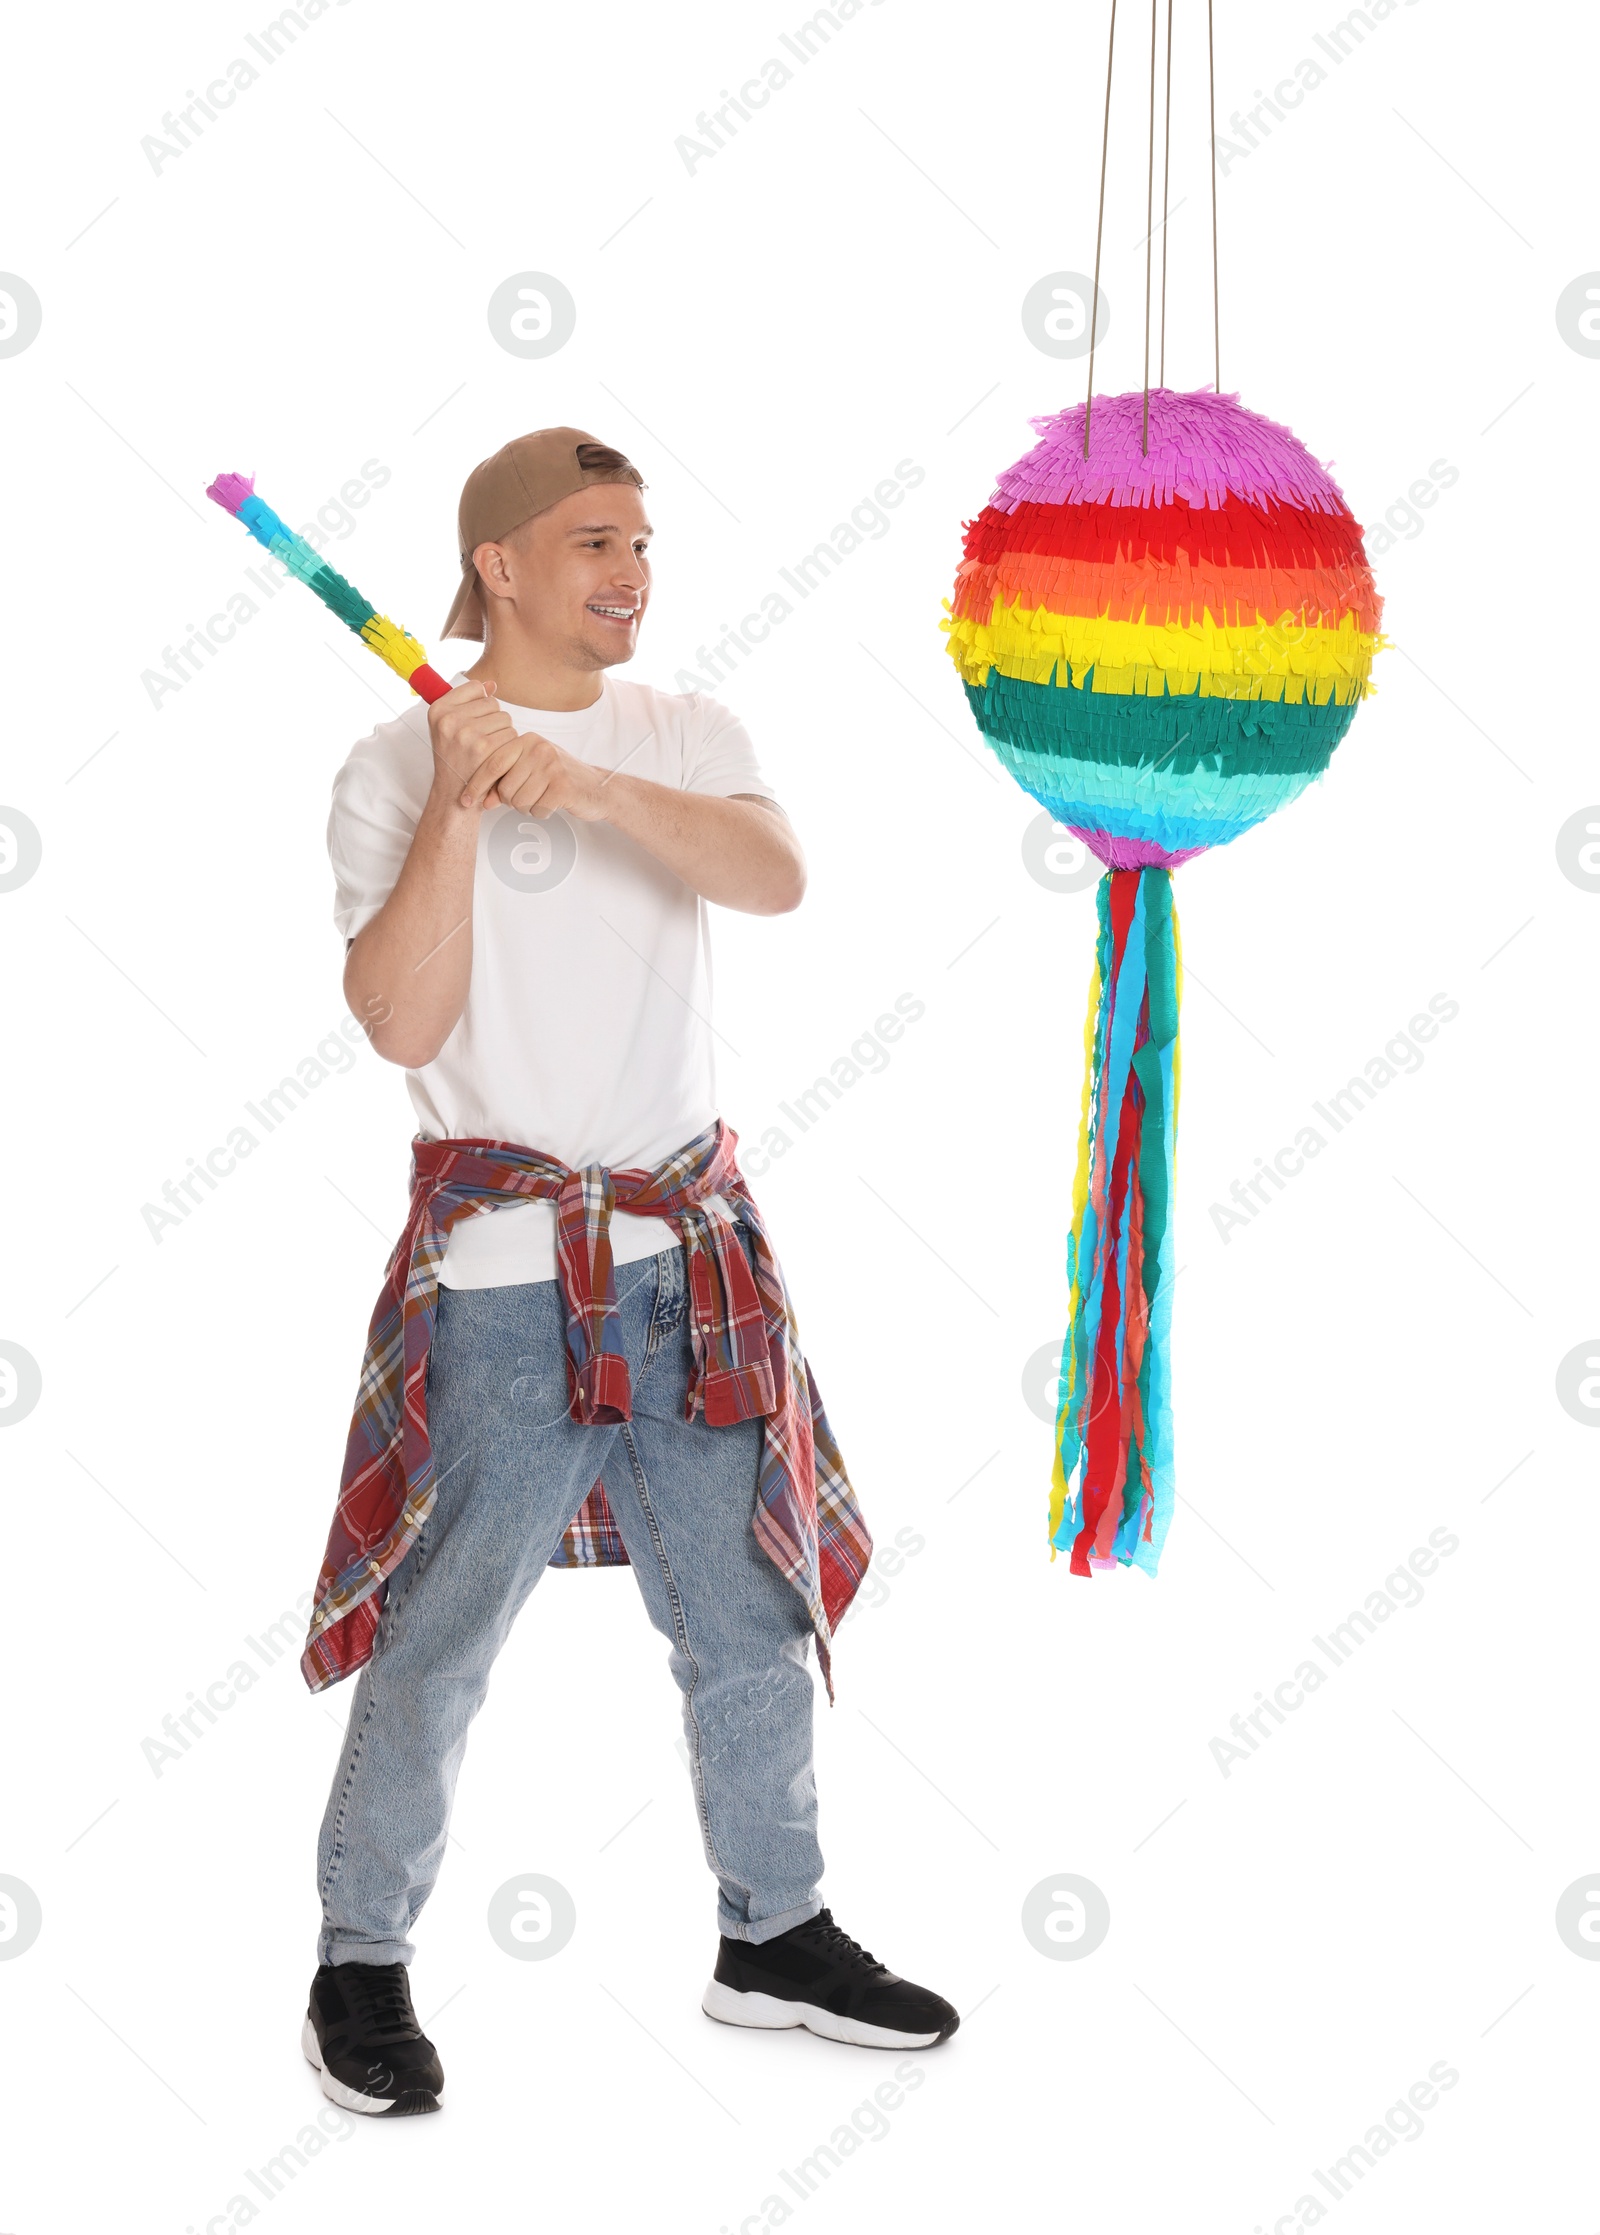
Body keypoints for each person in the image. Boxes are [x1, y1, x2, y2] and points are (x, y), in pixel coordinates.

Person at [300, 428, 958, 2116]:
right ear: (500, 569)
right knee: (443, 1640)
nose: (632, 574)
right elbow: (402, 1026)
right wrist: (463, 799)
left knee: (745, 1618)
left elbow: (777, 879)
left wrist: (579, 783)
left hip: (693, 1268)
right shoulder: (394, 765)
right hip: (508, 1284)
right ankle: (358, 1963)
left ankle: (773, 1930)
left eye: (646, 544)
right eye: (594, 541)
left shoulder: (686, 734)